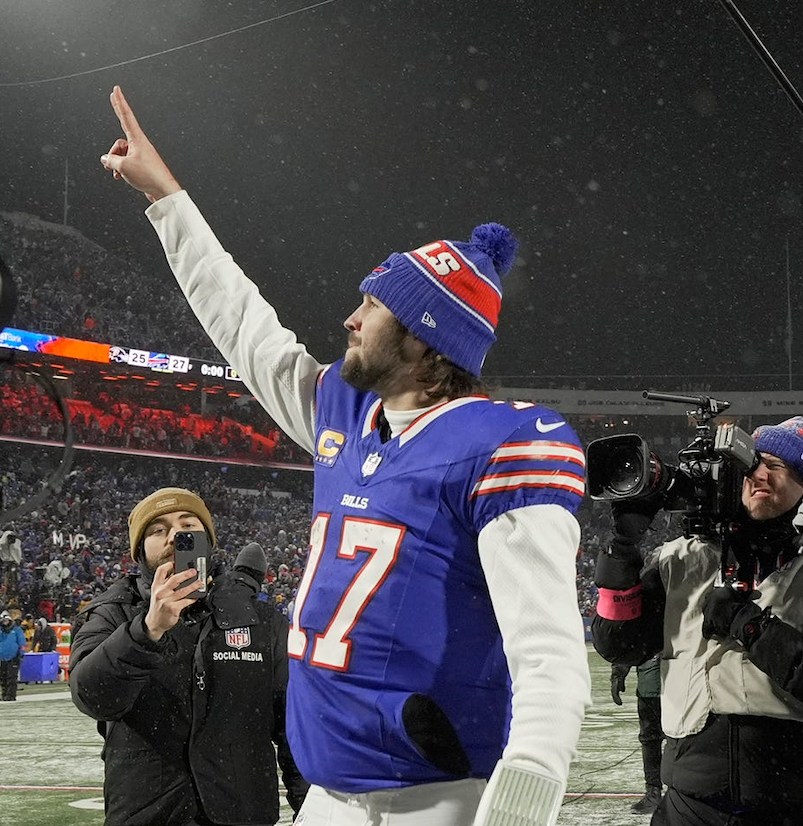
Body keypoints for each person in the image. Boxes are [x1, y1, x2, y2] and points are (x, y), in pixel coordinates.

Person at [99, 86, 590, 826]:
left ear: (425, 338)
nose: (350, 317)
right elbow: (246, 329)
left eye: (374, 304)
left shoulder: (500, 444)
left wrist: (523, 801)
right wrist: (168, 199)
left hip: (437, 798)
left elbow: (548, 653)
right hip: (329, 791)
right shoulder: (349, 415)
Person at [592, 416, 803, 826]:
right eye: (751, 464)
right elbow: (617, 644)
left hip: (798, 808)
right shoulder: (683, 558)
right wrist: (622, 548)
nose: (758, 475)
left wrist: (750, 625)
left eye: (776, 467)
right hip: (689, 806)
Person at [69, 487, 308, 826]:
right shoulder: (112, 613)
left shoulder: (261, 620)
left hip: (242, 815)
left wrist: (310, 807)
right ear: (139, 551)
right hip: (148, 816)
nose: (174, 535)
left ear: (207, 541)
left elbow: (293, 726)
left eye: (188, 525)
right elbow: (93, 697)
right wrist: (147, 631)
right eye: (158, 530)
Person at [611, 654, 664, 815]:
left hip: (657, 681)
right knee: (678, 739)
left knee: (651, 739)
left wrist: (618, 671)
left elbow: (631, 638)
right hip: (671, 682)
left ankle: (654, 793)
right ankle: (661, 792)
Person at [0, 611, 27, 701]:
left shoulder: (16, 630)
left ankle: (11, 695)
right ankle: (4, 694)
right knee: (3, 677)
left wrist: (21, 653)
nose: (5, 622)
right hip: (1, 656)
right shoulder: (0, 630)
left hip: (13, 656)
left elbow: (22, 642)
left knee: (12, 677)